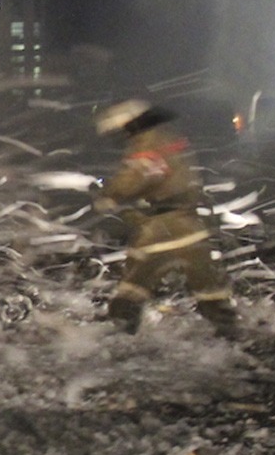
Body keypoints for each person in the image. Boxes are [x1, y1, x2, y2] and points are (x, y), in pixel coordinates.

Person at [94, 100, 236, 335]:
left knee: (133, 286)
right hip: (192, 226)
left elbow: (138, 176)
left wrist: (109, 195)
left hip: (162, 228)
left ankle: (118, 337)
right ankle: (233, 335)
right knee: (210, 289)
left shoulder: (147, 142)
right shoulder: (169, 138)